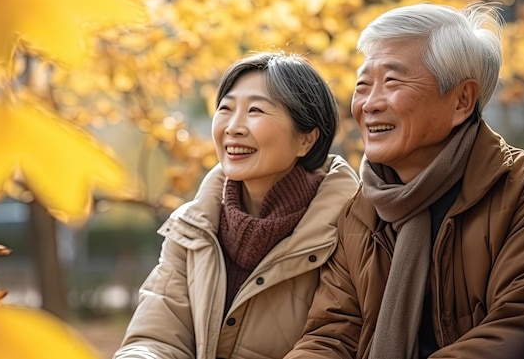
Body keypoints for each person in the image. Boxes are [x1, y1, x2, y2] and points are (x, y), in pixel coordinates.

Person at [284, 1, 524, 359]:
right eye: (363, 85)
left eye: (392, 81)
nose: (370, 104)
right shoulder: (360, 212)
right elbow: (332, 334)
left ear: (461, 101)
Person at [113, 51, 359, 359]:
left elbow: (331, 343)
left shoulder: (350, 228)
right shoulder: (193, 227)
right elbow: (156, 337)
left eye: (255, 110)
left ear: (306, 139)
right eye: (226, 109)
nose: (233, 127)